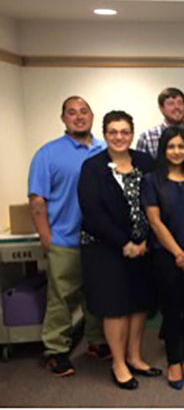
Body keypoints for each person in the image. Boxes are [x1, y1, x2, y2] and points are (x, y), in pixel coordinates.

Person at [78, 110, 160, 390]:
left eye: (124, 131)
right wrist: (123, 243)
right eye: (113, 132)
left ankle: (135, 357)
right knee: (115, 308)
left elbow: (158, 201)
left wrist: (146, 240)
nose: (119, 137)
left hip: (144, 247)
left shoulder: (146, 162)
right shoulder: (93, 167)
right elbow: (92, 212)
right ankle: (118, 363)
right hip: (106, 249)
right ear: (105, 134)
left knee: (138, 304)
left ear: (132, 134)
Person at [28, 95, 108, 377]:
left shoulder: (105, 149)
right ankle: (56, 350)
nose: (78, 116)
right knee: (61, 299)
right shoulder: (47, 154)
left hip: (99, 241)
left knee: (96, 295)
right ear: (63, 118)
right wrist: (45, 236)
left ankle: (98, 343)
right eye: (72, 112)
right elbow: (37, 199)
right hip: (64, 239)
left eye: (84, 111)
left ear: (92, 116)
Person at [142, 128, 184, 390]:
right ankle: (174, 361)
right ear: (163, 150)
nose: (177, 151)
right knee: (171, 310)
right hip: (166, 257)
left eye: (181, 146)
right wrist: (179, 254)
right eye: (171, 147)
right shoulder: (152, 180)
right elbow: (155, 222)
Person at [136, 87, 184, 159]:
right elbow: (140, 168)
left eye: (180, 103)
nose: (177, 107)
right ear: (161, 108)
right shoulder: (147, 137)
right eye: (171, 104)